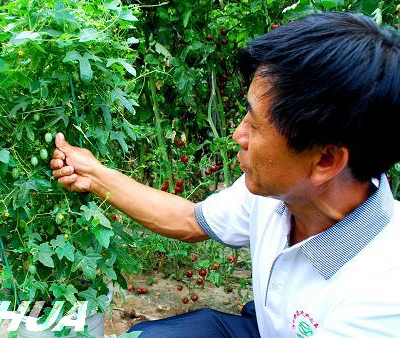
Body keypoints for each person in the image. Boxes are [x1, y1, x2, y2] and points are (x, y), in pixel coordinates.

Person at [50, 12, 399, 338]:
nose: (238, 134)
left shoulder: (383, 297)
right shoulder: (280, 194)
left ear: (325, 160)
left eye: (254, 124)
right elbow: (190, 220)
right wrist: (94, 175)